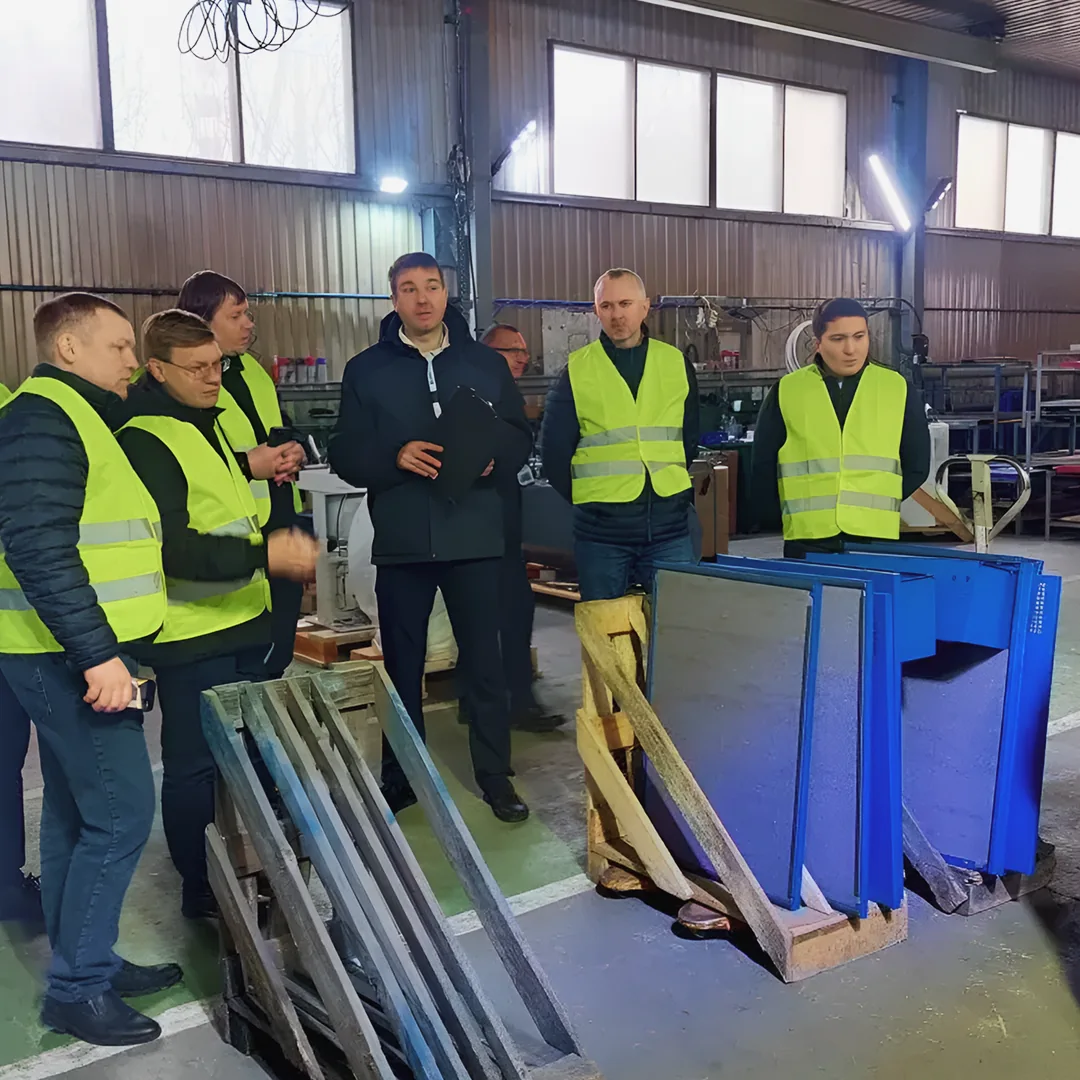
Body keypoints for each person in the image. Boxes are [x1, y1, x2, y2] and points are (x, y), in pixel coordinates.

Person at [0, 293, 182, 1047]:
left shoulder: (74, 415)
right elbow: (38, 547)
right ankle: (77, 990)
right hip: (66, 654)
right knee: (121, 813)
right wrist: (99, 656)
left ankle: (87, 958)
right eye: (118, 346)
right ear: (68, 348)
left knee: (77, 812)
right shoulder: (44, 418)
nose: (132, 361)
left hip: (67, 648)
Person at [117, 310, 318, 920]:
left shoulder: (203, 424)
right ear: (157, 370)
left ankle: (247, 867)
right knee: (195, 769)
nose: (214, 378)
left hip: (242, 621)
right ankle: (200, 888)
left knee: (247, 759)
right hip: (193, 634)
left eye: (218, 366)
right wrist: (264, 553)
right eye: (198, 369)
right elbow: (172, 549)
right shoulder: (147, 439)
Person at [329, 253, 533, 823]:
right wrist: (393, 456)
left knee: (485, 665)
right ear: (394, 298)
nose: (422, 298)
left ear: (446, 293)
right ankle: (402, 777)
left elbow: (519, 435)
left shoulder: (485, 364)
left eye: (432, 286)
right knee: (403, 667)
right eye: (409, 288)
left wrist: (495, 457)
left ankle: (495, 776)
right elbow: (344, 451)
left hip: (475, 538)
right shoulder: (366, 370)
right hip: (404, 542)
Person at [177, 271, 307, 679]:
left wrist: (295, 448)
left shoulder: (251, 369)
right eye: (236, 316)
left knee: (277, 651)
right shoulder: (179, 382)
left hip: (278, 521)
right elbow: (183, 459)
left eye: (248, 314)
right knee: (238, 665)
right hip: (230, 535)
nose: (249, 324)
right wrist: (249, 464)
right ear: (200, 320)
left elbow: (274, 426)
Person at [541, 269, 700, 601]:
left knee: (677, 625)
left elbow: (688, 439)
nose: (617, 315)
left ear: (645, 307)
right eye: (607, 306)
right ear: (596, 311)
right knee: (604, 627)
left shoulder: (675, 364)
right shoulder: (577, 371)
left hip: (669, 530)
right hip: (602, 537)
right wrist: (595, 503)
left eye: (625, 303)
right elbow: (554, 454)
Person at [750, 297, 931, 557]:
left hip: (874, 536)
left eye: (859, 337)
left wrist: (876, 503)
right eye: (838, 339)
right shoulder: (787, 390)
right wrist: (788, 516)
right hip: (808, 537)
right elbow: (762, 467)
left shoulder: (897, 388)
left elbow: (917, 465)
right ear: (818, 344)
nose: (851, 349)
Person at [478, 323, 562, 731]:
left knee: (509, 610)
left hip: (503, 526)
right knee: (505, 612)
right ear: (490, 353)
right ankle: (514, 702)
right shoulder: (482, 394)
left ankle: (496, 699)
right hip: (483, 525)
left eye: (524, 352)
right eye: (513, 351)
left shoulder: (503, 393)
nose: (523, 359)